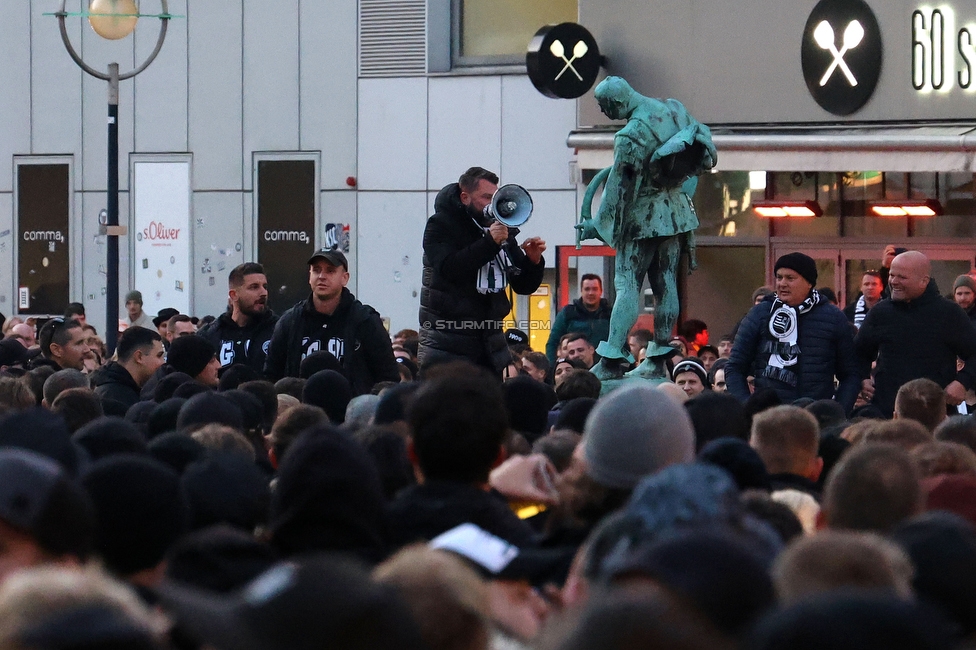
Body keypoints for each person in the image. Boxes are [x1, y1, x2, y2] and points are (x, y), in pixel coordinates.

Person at [575, 77, 716, 379]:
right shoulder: (675, 110)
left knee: (627, 285)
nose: (605, 114)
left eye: (605, 108)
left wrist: (598, 226)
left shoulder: (631, 135)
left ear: (617, 102)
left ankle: (612, 357)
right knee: (666, 283)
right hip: (675, 213)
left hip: (642, 219)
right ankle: (657, 358)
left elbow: (620, 192)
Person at [418, 167, 546, 375]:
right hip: (447, 340)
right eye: (486, 197)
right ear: (465, 197)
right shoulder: (441, 224)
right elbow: (449, 268)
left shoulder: (501, 229)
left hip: (491, 340)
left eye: (494, 197)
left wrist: (533, 261)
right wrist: (489, 243)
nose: (491, 204)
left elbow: (523, 286)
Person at [726, 252, 860, 413]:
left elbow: (850, 374)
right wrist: (749, 408)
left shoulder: (833, 317)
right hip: (769, 417)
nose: (782, 283)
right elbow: (734, 368)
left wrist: (837, 412)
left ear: (809, 283)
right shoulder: (760, 314)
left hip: (816, 418)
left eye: (790, 278)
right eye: (779, 277)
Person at [855, 251, 976, 417]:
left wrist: (962, 383)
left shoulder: (949, 313)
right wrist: (863, 378)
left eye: (902, 277)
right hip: (887, 413)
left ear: (924, 281)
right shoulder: (880, 313)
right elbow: (859, 352)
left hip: (935, 415)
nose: (894, 281)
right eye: (891, 275)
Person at [264, 248, 399, 395]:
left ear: (345, 278)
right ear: (309, 276)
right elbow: (271, 376)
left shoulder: (365, 320)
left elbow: (388, 378)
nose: (322, 276)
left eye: (330, 271)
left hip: (349, 412)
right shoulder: (290, 321)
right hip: (302, 412)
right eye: (316, 270)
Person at [198, 262, 279, 377]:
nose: (263, 293)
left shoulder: (278, 329)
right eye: (254, 287)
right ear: (234, 295)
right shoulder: (211, 334)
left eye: (265, 287)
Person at [89, 327, 165, 413]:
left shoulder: (118, 389)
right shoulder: (117, 400)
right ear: (139, 357)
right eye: (159, 356)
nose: (162, 362)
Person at [545, 274, 611, 363]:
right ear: (581, 291)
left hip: (604, 368)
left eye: (595, 289)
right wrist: (553, 368)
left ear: (601, 291)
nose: (591, 293)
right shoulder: (568, 313)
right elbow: (552, 343)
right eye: (587, 289)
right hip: (574, 369)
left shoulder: (610, 313)